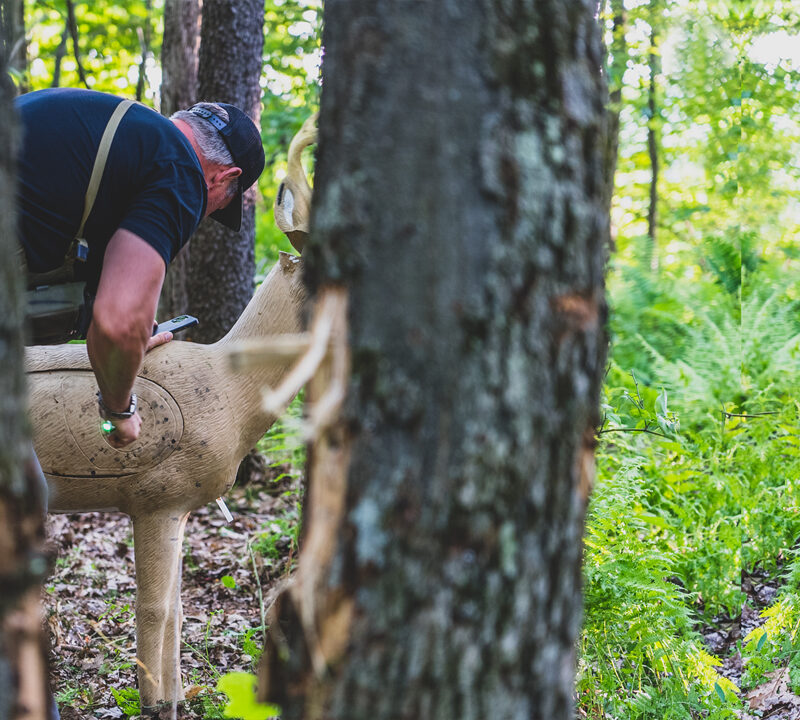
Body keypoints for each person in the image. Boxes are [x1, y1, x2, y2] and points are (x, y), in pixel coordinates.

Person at [16, 87, 266, 449]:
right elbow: (118, 322)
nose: (205, 212)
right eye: (220, 205)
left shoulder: (123, 134)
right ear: (225, 178)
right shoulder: (183, 172)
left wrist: (125, 335)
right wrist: (118, 411)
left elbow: (105, 312)